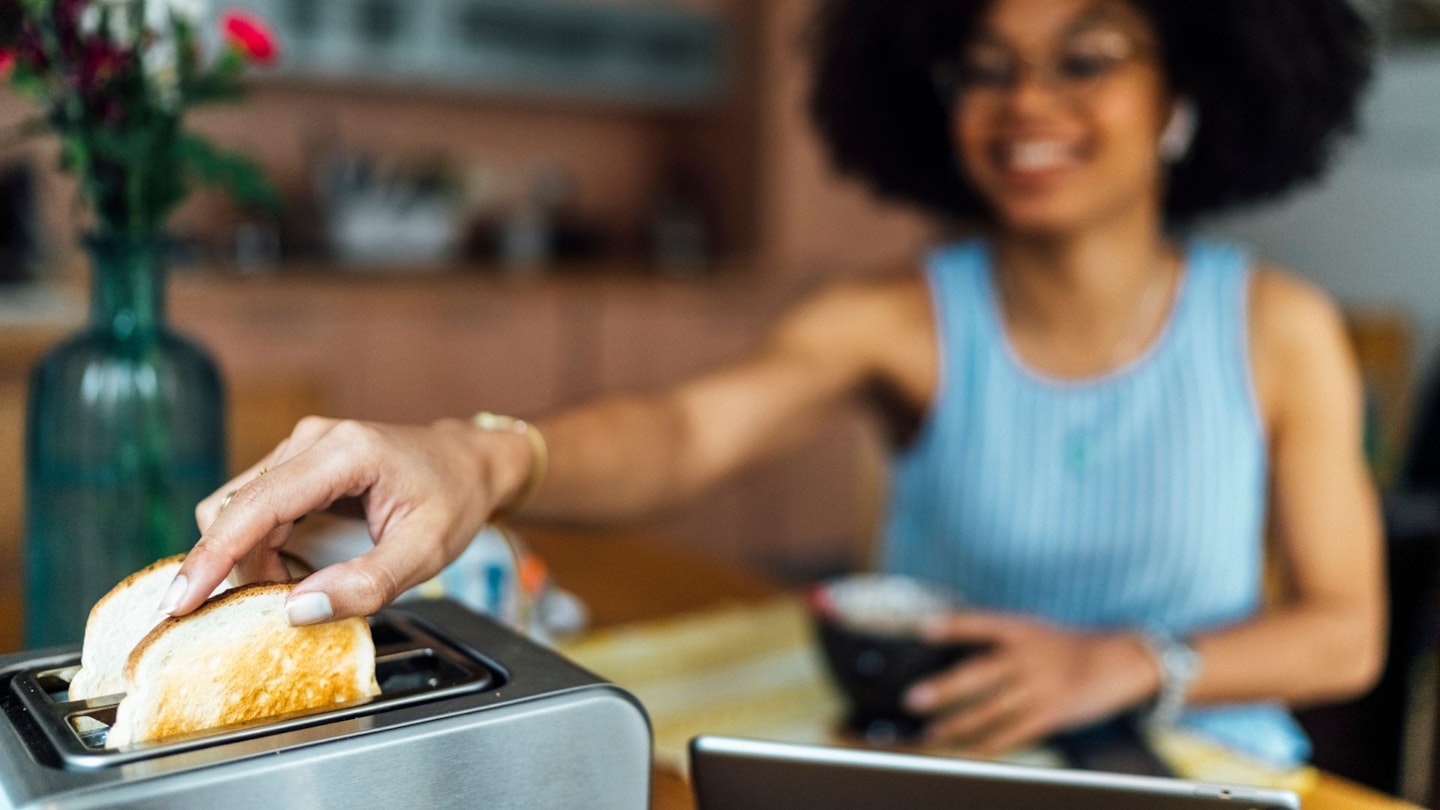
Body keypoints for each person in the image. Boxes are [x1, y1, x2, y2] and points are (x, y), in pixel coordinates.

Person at [161, 0, 1383, 766]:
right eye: (985, 65)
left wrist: (1126, 662)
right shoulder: (896, 318)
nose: (1027, 104)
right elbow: (684, 432)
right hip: (939, 768)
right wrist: (479, 455)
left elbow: (1346, 635)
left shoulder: (1280, 329)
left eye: (1087, 58)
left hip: (1205, 765)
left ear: (1185, 93)